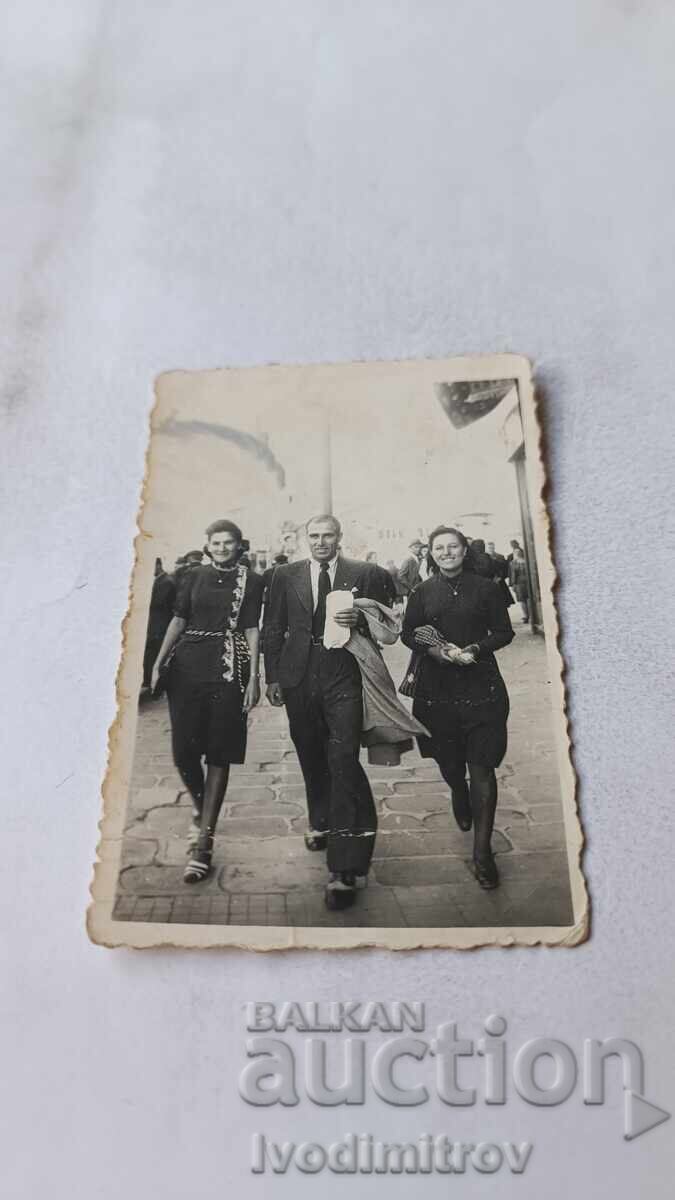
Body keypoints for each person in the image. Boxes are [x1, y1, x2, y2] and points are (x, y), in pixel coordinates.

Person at [264, 514, 389, 911]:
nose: (321, 542)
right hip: (299, 676)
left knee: (342, 759)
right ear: (305, 539)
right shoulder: (285, 575)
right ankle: (322, 821)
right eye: (314, 536)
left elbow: (383, 625)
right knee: (311, 756)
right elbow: (273, 626)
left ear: (340, 538)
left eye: (328, 536)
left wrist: (361, 622)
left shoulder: (363, 572)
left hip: (344, 675)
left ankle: (344, 867)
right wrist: (272, 677)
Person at [401, 525, 514, 890]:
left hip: (483, 690)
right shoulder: (421, 592)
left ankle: (483, 854)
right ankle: (456, 789)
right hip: (436, 695)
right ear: (431, 554)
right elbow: (409, 632)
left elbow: (503, 631)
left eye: (453, 546)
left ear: (464, 550)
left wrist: (475, 651)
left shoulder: (487, 589)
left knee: (482, 768)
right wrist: (436, 651)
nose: (447, 552)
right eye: (440, 548)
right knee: (451, 765)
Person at [151, 519, 264, 883]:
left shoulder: (252, 579)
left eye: (228, 543)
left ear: (238, 545)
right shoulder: (191, 576)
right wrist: (157, 662)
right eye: (216, 542)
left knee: (219, 751)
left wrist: (254, 678)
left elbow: (251, 629)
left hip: (229, 671)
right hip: (186, 669)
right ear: (208, 544)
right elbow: (178, 620)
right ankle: (204, 813)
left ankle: (204, 842)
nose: (222, 548)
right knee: (183, 752)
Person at [142, 558, 176, 689]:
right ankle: (150, 681)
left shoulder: (166, 582)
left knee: (153, 654)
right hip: (156, 624)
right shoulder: (162, 580)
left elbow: (157, 603)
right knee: (151, 653)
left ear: (158, 565)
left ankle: (152, 683)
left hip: (160, 625)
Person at [509, 547, 530, 623]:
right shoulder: (512, 563)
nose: (517, 553)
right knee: (522, 600)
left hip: (528, 582)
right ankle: (526, 616)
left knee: (529, 599)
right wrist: (512, 585)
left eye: (519, 552)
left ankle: (531, 616)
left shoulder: (527, 561)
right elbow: (511, 574)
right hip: (518, 583)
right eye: (516, 552)